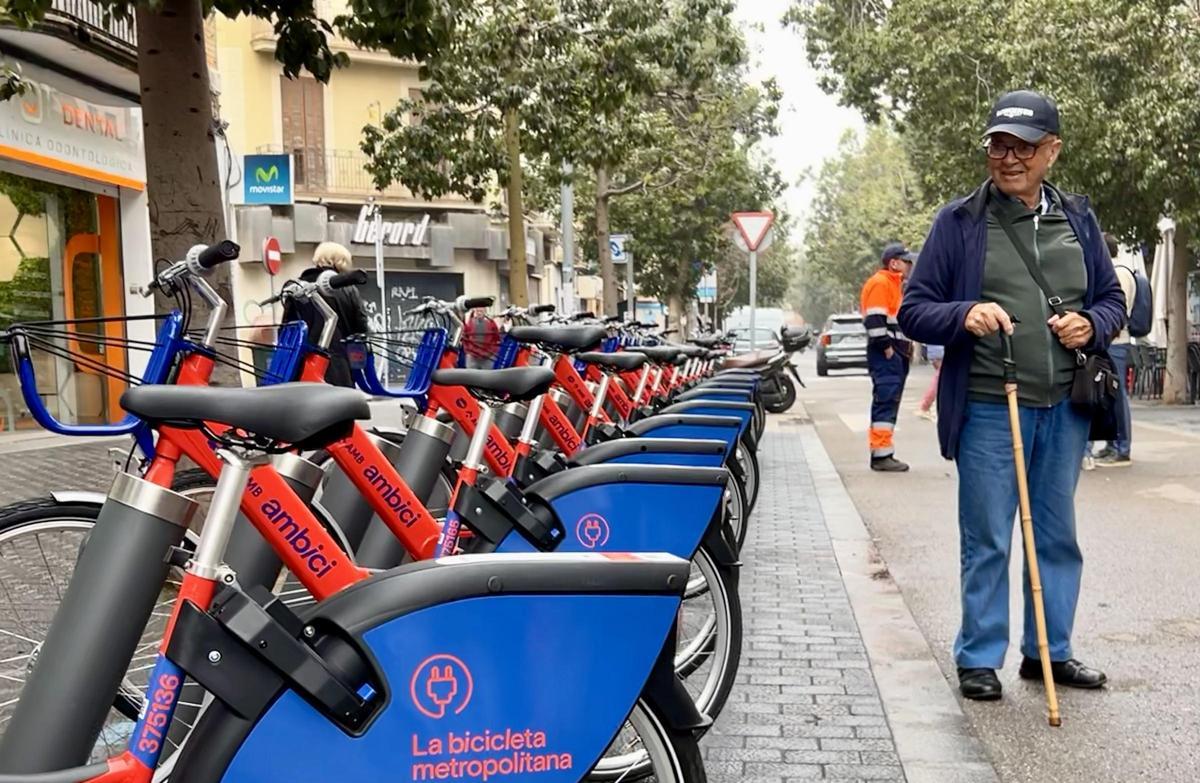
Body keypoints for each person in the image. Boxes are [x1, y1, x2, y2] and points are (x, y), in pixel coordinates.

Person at [898, 90, 1126, 701]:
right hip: (989, 406)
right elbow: (913, 310)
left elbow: (1111, 300)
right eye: (999, 145)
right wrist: (965, 312)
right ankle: (978, 656)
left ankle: (1049, 652)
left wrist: (1092, 325)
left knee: (1055, 534)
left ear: (1051, 150)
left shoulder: (1077, 219)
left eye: (1023, 147)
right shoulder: (960, 222)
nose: (1008, 157)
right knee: (989, 534)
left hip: (1064, 407)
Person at [282, 241, 369, 388]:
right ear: (341, 261)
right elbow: (360, 327)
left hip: (301, 363)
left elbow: (287, 328)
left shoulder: (296, 287)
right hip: (339, 365)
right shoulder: (349, 289)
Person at [861, 241, 916, 471]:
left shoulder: (894, 285)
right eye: (906, 261)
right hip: (887, 354)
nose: (909, 265)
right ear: (894, 263)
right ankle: (881, 455)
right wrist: (887, 347)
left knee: (889, 400)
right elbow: (874, 319)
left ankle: (884, 452)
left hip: (895, 353)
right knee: (885, 400)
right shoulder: (881, 283)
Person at [1090, 233, 1136, 467]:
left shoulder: (1119, 274)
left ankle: (1122, 447)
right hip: (1112, 342)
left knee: (1117, 396)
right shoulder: (1119, 272)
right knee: (1109, 395)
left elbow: (1118, 310)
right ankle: (1112, 444)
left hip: (1116, 343)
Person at [916, 343, 944, 422]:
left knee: (940, 379)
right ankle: (925, 407)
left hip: (935, 352)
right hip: (940, 351)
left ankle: (925, 407)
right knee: (939, 378)